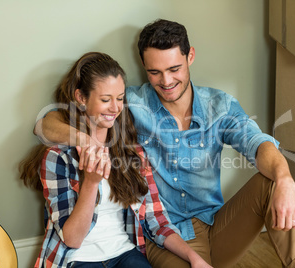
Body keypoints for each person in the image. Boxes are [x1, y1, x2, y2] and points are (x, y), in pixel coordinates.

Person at [34, 20, 295, 268]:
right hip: (165, 235)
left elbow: (258, 144)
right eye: (154, 72)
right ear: (144, 68)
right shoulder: (126, 102)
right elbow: (45, 123)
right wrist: (86, 142)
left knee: (272, 182)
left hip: (216, 225)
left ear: (190, 56)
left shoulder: (218, 105)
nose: (167, 81)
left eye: (174, 68)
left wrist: (286, 179)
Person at [19, 51, 213, 268]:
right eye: (105, 99)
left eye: (120, 98)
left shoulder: (133, 153)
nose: (115, 108)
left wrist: (194, 258)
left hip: (125, 254)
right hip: (77, 259)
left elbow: (157, 221)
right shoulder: (58, 158)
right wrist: (91, 183)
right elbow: (72, 239)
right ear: (81, 98)